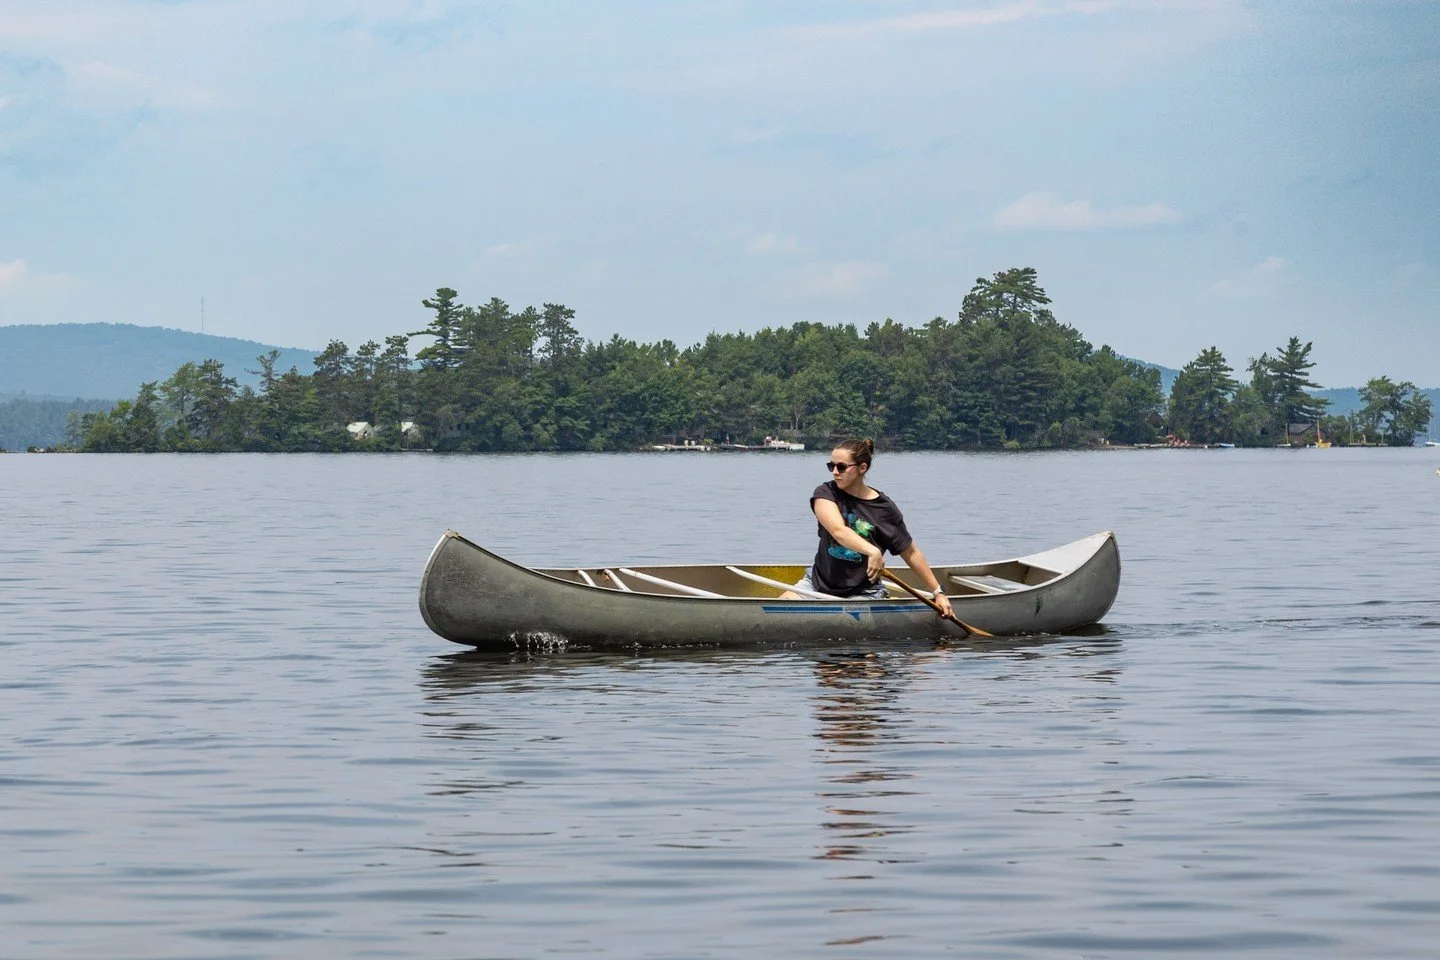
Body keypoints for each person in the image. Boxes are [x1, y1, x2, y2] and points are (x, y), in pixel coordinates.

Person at [781, 438, 955, 619]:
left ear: (862, 468)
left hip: (863, 593)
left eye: (841, 467)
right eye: (830, 466)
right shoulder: (825, 493)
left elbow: (910, 553)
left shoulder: (884, 509)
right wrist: (873, 551)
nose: (834, 472)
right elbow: (838, 531)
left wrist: (938, 593)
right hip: (817, 584)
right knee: (781, 609)